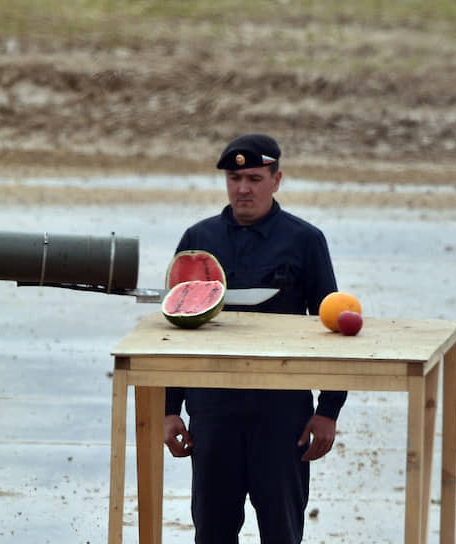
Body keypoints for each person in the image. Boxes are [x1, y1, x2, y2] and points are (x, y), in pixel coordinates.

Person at [164, 133, 347, 544]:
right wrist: (169, 407)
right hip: (212, 412)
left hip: (282, 417)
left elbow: (332, 326)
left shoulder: (305, 241)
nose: (243, 188)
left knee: (282, 534)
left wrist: (329, 408)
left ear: (276, 179)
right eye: (234, 177)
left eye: (254, 178)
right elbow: (176, 329)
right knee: (211, 533)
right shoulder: (199, 241)